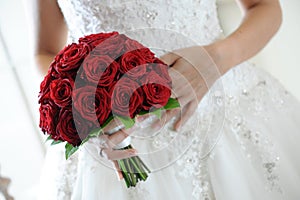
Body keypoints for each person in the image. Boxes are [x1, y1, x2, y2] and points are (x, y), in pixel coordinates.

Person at [34, 0, 300, 199]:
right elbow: (45, 51)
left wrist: (216, 60)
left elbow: (264, 7)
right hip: (116, 137)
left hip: (227, 106)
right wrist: (90, 101)